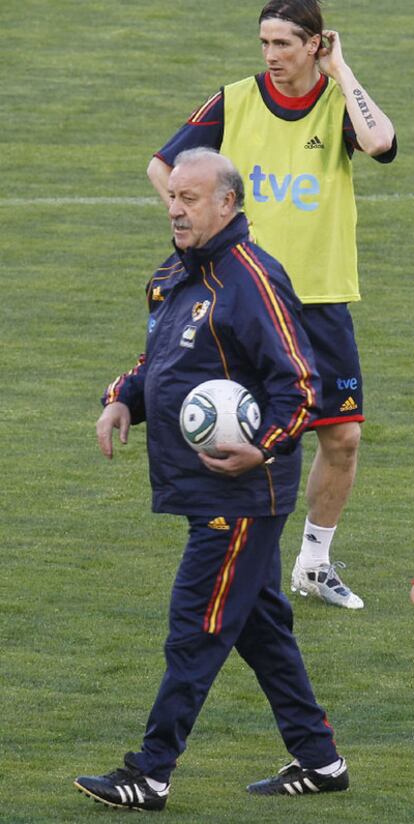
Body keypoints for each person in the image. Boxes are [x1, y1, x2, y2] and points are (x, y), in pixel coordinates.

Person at [74, 149, 350, 812]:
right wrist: (122, 398)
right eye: (173, 195)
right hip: (204, 488)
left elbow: (301, 381)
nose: (175, 207)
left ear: (227, 205)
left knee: (196, 624)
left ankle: (151, 771)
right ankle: (320, 761)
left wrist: (265, 449)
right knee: (259, 628)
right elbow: (159, 358)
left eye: (191, 198)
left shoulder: (251, 279)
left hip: (244, 493)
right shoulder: (175, 274)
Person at [147, 0, 397, 610]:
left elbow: (383, 143)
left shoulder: (337, 101)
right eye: (265, 43)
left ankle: (314, 561)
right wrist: (200, 218)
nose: (271, 56)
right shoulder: (235, 99)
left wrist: (343, 71)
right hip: (250, 298)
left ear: (316, 44)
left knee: (342, 439)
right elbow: (163, 165)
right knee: (242, 428)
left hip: (320, 296)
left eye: (285, 44)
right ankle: (234, 553)